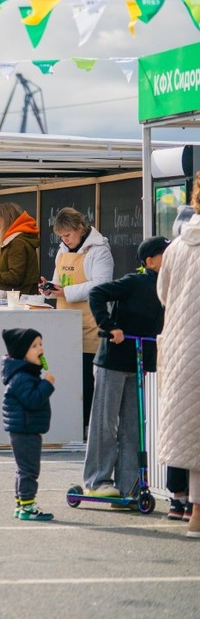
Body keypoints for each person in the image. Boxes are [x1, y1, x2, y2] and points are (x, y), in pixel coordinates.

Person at [83, 236, 167, 499]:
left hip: (139, 364)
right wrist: (109, 326)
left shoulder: (169, 287)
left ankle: (130, 485)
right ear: (150, 261)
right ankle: (97, 480)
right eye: (166, 255)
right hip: (113, 361)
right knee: (105, 422)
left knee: (133, 426)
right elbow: (97, 293)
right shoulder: (136, 281)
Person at [42, 207, 113, 434]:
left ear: (80, 228)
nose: (65, 240)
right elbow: (57, 282)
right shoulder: (62, 251)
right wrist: (49, 290)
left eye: (68, 235)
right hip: (65, 323)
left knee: (86, 379)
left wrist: (66, 292)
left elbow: (101, 285)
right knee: (68, 377)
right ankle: (69, 424)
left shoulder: (99, 250)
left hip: (91, 323)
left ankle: (86, 427)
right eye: (61, 236)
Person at [155, 186, 200, 539]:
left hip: (183, 350)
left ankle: (193, 510)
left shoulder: (177, 246)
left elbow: (163, 294)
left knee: (193, 435)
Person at [1, 327, 55, 522]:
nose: (40, 349)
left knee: (23, 468)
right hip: (24, 430)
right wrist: (47, 384)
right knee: (29, 469)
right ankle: (28, 505)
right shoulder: (21, 377)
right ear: (22, 352)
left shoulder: (27, 373)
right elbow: (32, 400)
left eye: (40, 344)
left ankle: (21, 503)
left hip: (26, 428)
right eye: (34, 346)